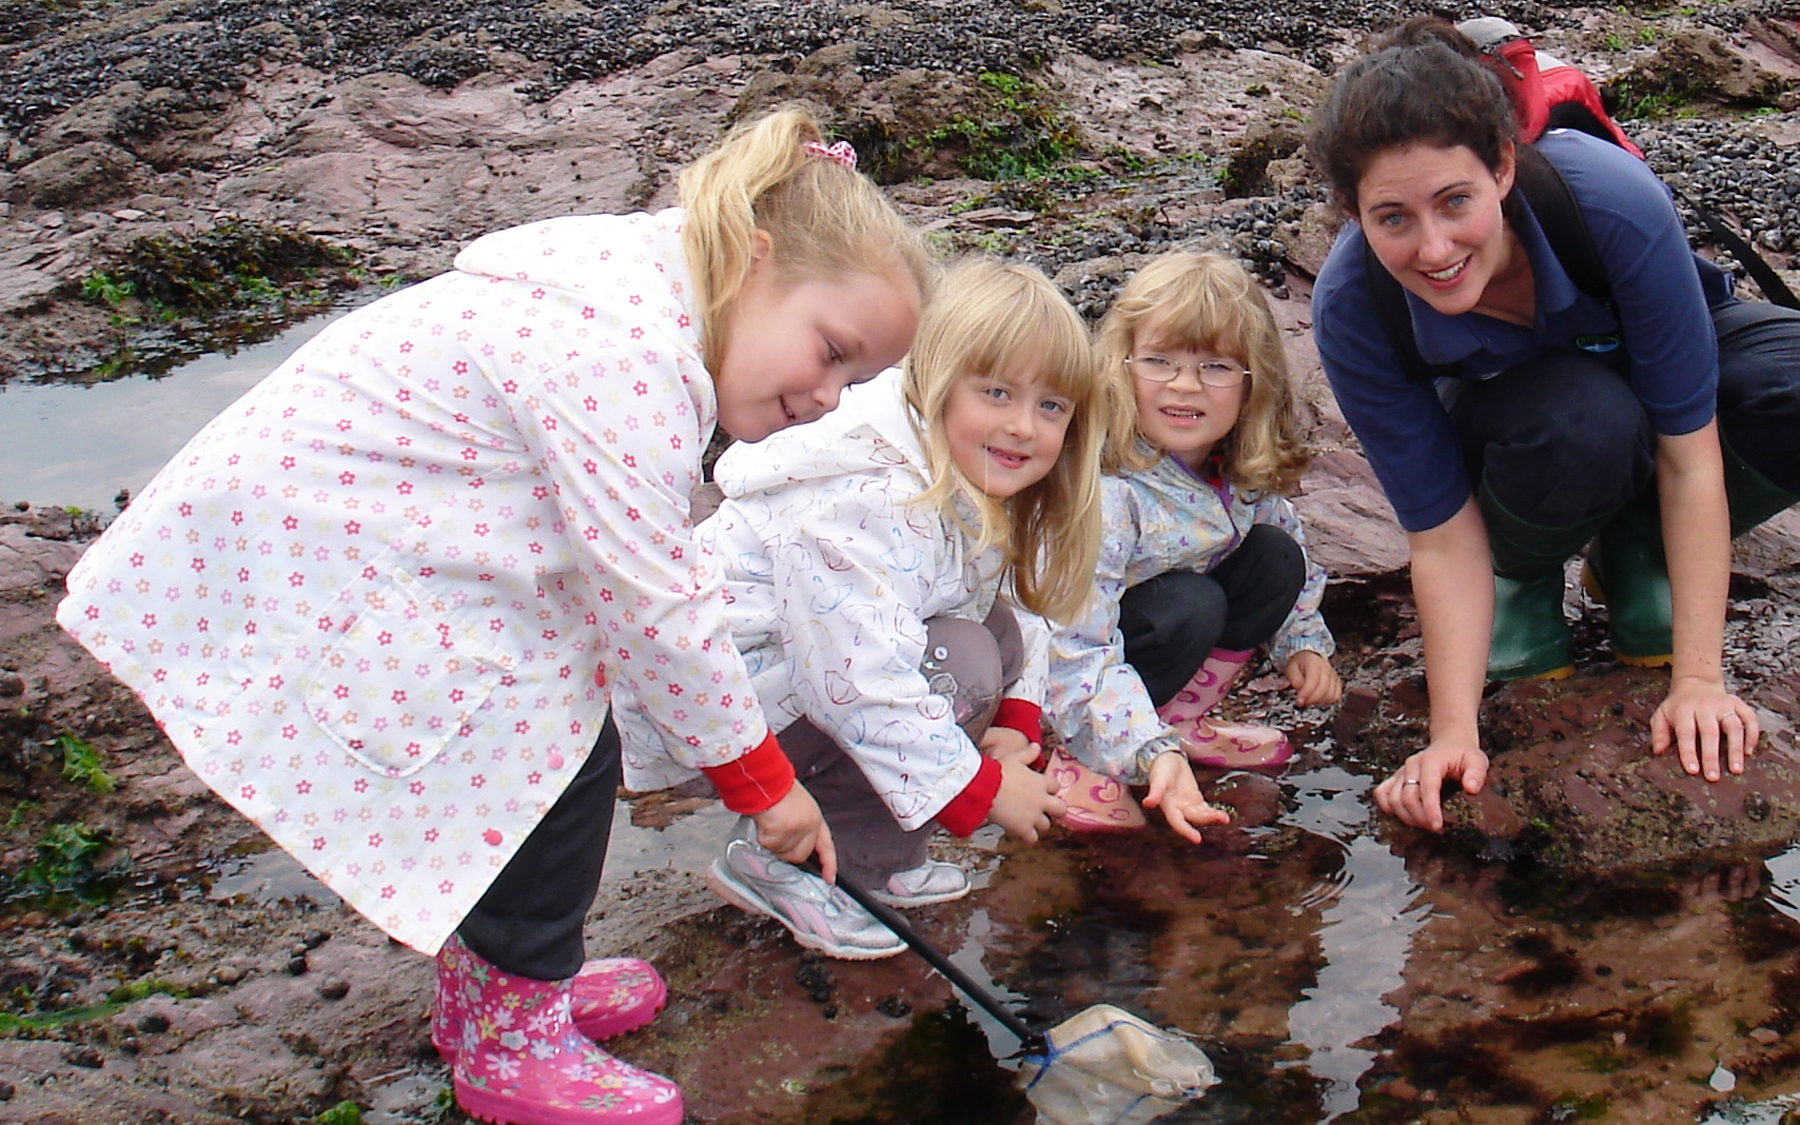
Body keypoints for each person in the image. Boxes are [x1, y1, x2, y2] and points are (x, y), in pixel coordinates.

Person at [54, 109, 932, 1125]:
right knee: (549, 766)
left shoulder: (639, 290)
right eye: (829, 351)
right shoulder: (621, 356)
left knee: (559, 745)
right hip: (335, 547)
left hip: (401, 534)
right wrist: (760, 781)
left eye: (855, 380)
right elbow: (657, 605)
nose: (829, 397)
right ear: (750, 256)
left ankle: (506, 998)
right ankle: (510, 1048)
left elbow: (631, 566)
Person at [1306, 38, 1800, 833]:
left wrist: (1700, 680)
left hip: (1658, 394)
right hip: (1531, 429)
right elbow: (1437, 537)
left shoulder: (1609, 202)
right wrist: (1452, 736)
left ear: (1502, 167)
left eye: (1455, 201)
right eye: (1392, 218)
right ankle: (1522, 577)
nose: (1433, 249)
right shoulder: (1353, 306)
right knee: (1585, 419)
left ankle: (1639, 554)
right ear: (1352, 210)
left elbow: (1691, 454)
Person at [617, 258, 1098, 958]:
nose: (1023, 427)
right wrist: (980, 787)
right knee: (958, 662)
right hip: (713, 715)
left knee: (989, 631)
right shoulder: (870, 498)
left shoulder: (968, 472)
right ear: (935, 384)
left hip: (794, 682)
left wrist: (1019, 716)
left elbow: (1020, 604)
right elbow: (859, 680)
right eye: (996, 392)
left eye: (1050, 406)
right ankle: (795, 866)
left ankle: (878, 850)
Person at [1039, 250, 1341, 838]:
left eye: (1216, 368)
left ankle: (1177, 725)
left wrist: (1303, 644)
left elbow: (1295, 561)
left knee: (1277, 556)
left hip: (1145, 650)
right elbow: (1072, 643)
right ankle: (1085, 758)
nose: (1184, 385)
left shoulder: (1236, 471)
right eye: (1159, 361)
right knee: (1189, 606)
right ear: (1121, 368)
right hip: (1080, 669)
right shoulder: (1112, 497)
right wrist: (1129, 744)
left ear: (1254, 382)